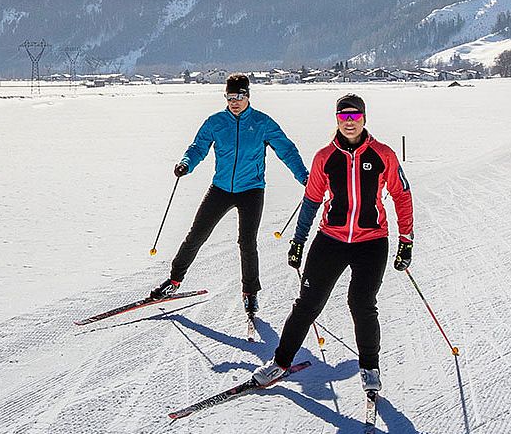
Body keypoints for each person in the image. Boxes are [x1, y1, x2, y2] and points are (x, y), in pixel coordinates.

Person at [252, 93, 414, 393]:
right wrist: (299, 241)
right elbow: (311, 200)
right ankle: (280, 362)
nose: (349, 122)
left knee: (362, 304)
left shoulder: (383, 155)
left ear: (364, 118)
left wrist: (406, 239)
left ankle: (369, 367)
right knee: (307, 304)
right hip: (331, 239)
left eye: (354, 116)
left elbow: (402, 195)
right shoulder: (325, 157)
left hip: (372, 241)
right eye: (343, 117)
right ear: (336, 120)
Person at [150, 73, 309, 315]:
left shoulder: (263, 123)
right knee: (196, 235)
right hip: (221, 188)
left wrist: (304, 177)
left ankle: (250, 292)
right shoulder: (216, 122)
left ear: (248, 96)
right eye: (230, 96)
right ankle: (174, 280)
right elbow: (198, 147)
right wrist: (186, 163)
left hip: (252, 190)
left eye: (239, 96)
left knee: (247, 243)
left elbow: (287, 150)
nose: (234, 101)